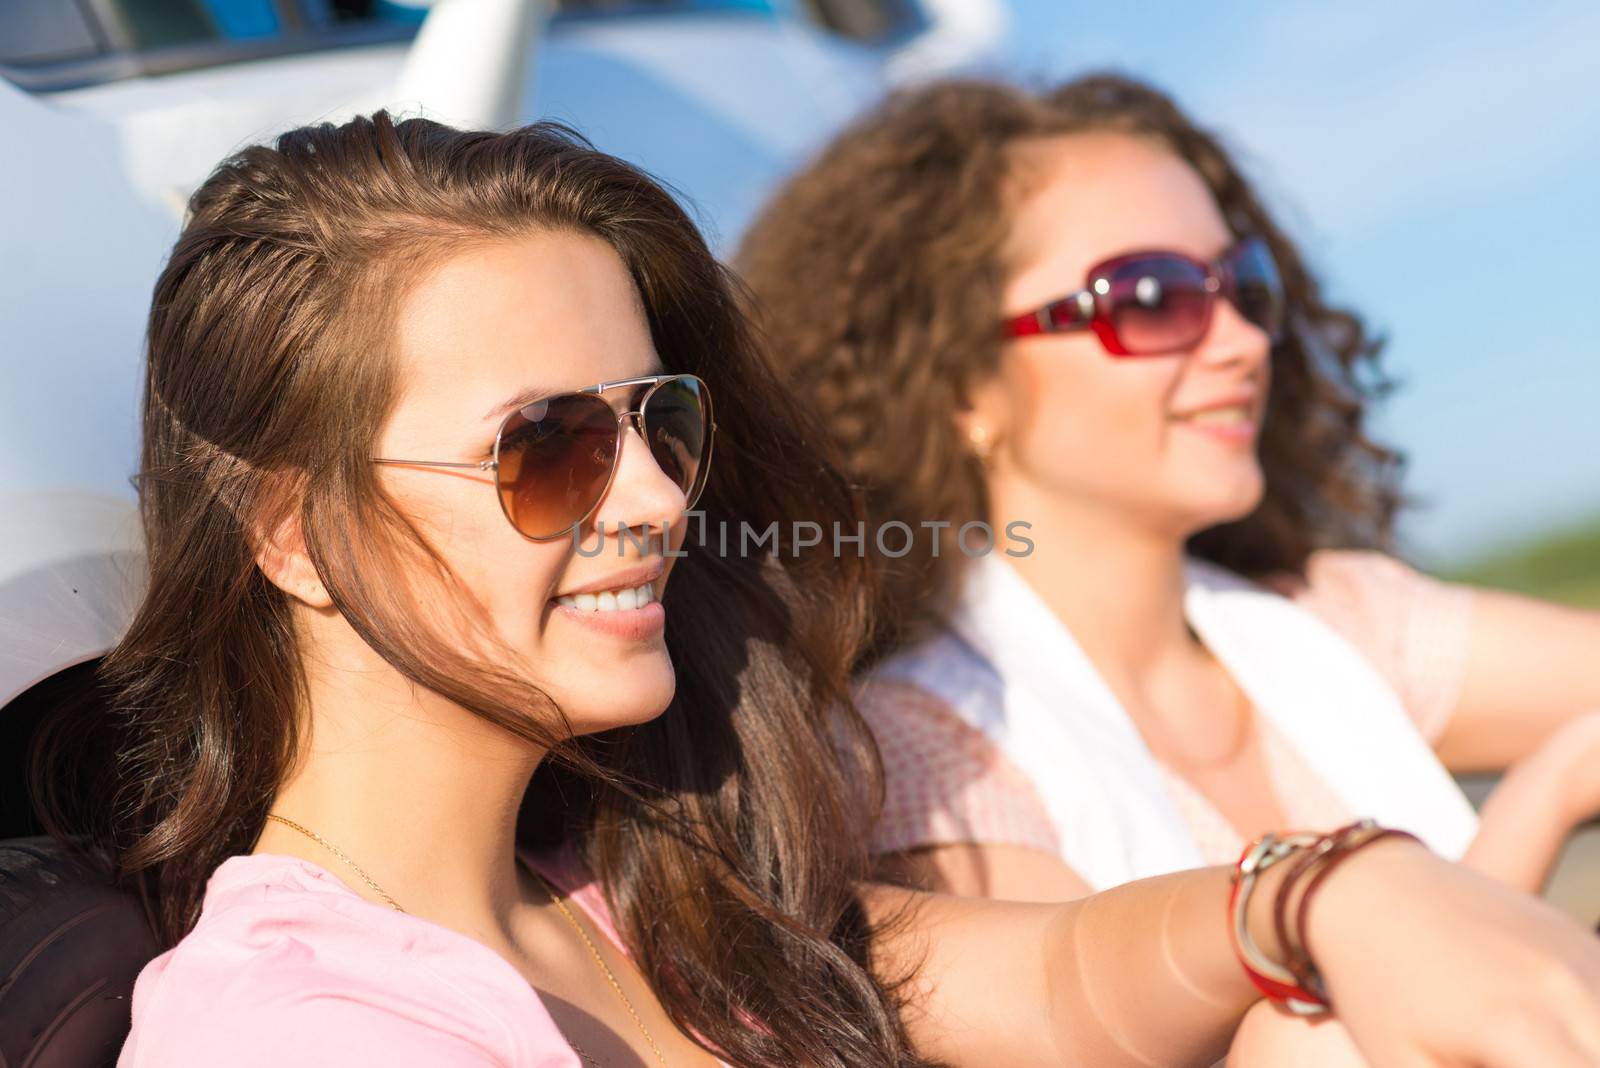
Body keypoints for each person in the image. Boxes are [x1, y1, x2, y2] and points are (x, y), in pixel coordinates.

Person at [33, 110, 1600, 1068]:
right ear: (292, 534)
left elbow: (1060, 982)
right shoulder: (305, 1035)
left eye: (663, 421)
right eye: (549, 448)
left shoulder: (644, 887)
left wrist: (1337, 889)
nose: (657, 498)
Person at [736, 73, 1600, 1063]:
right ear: (960, 382)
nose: (1238, 341)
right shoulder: (929, 754)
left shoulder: (1331, 626)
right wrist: (1551, 788)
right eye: (1150, 299)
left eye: (1245, 287)